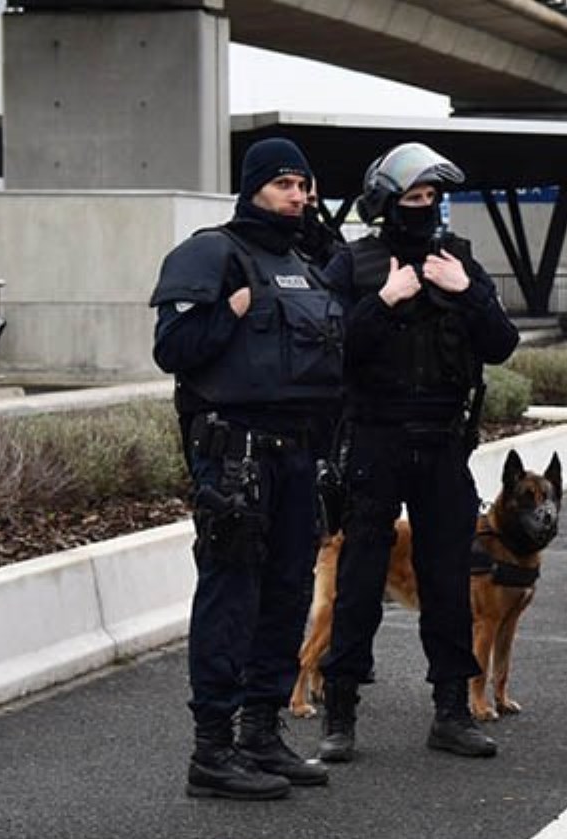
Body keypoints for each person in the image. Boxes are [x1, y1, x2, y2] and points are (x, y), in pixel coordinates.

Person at [150, 137, 343, 800]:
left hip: (298, 456)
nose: (297, 196)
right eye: (285, 184)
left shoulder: (305, 263)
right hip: (236, 455)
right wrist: (225, 314)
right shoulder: (212, 254)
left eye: (304, 186)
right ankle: (213, 749)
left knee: (287, 594)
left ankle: (262, 732)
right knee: (231, 597)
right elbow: (173, 350)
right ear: (254, 186)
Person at [317, 142, 519, 762]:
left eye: (432, 197)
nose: (424, 208)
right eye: (413, 198)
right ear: (386, 202)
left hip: (441, 442)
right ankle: (340, 712)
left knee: (447, 579)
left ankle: (452, 711)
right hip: (374, 437)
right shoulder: (354, 264)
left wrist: (467, 292)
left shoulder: (457, 260)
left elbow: (501, 344)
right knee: (358, 579)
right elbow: (327, 347)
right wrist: (381, 301)